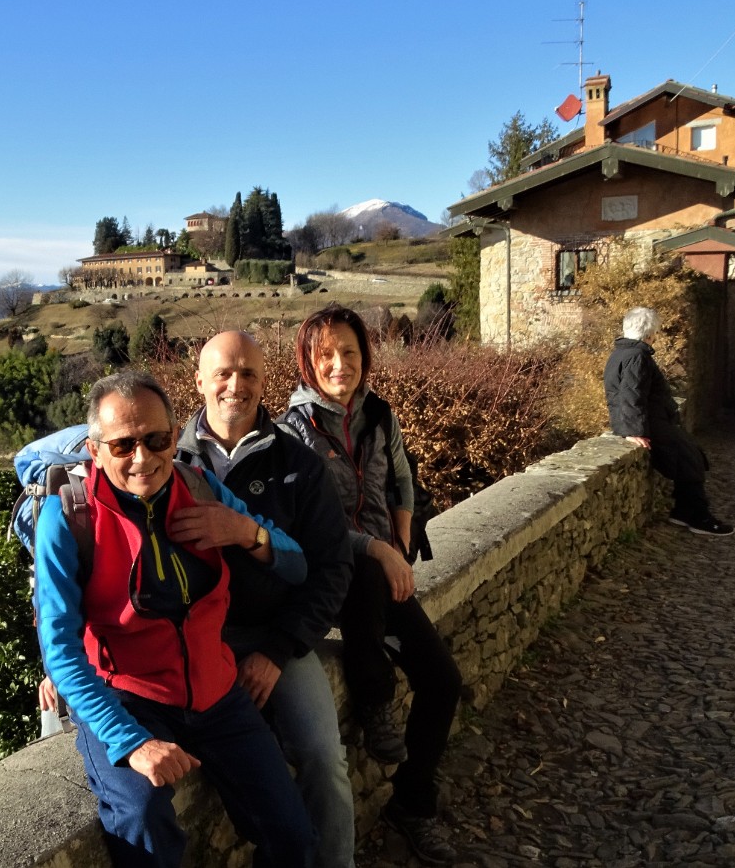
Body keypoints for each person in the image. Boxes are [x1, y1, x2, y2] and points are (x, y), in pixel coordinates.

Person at [34, 369, 316, 868]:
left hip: (218, 695)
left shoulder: (200, 487)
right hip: (128, 698)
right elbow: (60, 649)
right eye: (122, 446)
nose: (142, 458)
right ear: (95, 452)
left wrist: (245, 531)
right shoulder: (69, 518)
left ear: (173, 438)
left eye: (156, 439)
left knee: (292, 834)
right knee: (143, 821)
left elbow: (296, 564)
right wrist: (131, 742)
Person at [279, 305, 462, 868]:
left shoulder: (380, 414)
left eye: (350, 353)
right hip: (333, 575)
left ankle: (413, 802)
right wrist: (379, 550)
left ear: (366, 356)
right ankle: (375, 699)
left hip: (383, 572)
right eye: (325, 355)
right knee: (360, 572)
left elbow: (402, 477)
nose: (340, 365)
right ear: (307, 362)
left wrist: (401, 531)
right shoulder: (291, 432)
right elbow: (321, 529)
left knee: (442, 680)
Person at [174, 331, 357, 868]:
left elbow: (330, 569)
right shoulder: (165, 462)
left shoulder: (299, 466)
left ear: (264, 380)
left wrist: (278, 651)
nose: (237, 385)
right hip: (193, 647)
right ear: (200, 381)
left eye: (249, 373)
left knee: (324, 760)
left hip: (276, 637)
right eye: (224, 373)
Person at [603, 306, 734, 536]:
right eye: (655, 332)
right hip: (654, 425)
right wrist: (634, 431)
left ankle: (684, 512)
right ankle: (697, 517)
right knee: (690, 462)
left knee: (691, 457)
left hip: (655, 422)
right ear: (650, 333)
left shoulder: (622, 353)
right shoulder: (636, 356)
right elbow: (631, 395)